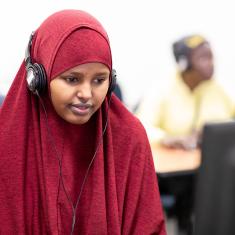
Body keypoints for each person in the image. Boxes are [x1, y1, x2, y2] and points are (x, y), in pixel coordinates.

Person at [0, 9, 166, 234]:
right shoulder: (7, 141)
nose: (87, 93)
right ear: (38, 78)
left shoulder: (129, 137)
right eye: (72, 79)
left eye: (99, 80)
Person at [136, 34, 235, 150]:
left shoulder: (218, 88)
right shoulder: (162, 89)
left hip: (214, 159)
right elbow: (140, 128)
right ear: (184, 64)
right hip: (174, 162)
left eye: (211, 57)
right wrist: (166, 139)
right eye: (203, 58)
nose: (210, 63)